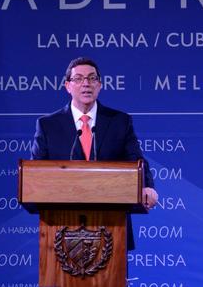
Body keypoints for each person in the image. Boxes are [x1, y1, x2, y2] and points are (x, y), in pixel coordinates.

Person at [31, 57, 158, 250]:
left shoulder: (119, 121)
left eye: (92, 78)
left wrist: (147, 186)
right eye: (79, 79)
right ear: (68, 86)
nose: (86, 84)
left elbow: (136, 159)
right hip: (61, 231)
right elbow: (37, 173)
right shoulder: (48, 125)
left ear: (100, 85)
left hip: (112, 227)